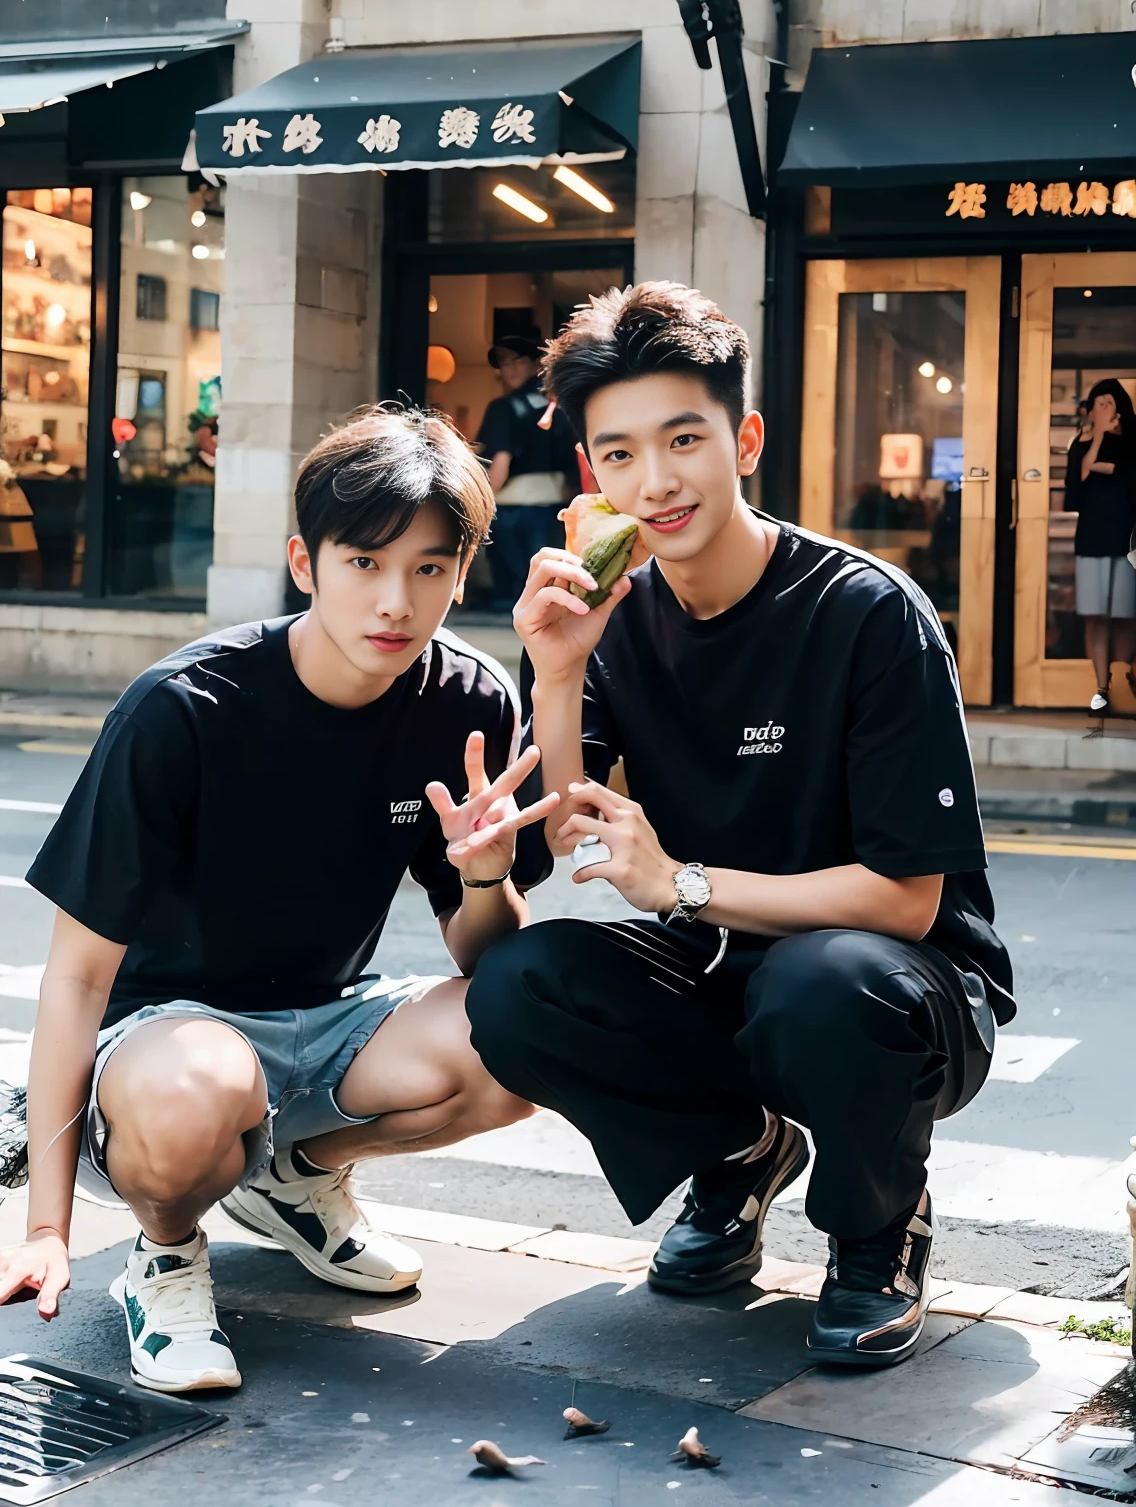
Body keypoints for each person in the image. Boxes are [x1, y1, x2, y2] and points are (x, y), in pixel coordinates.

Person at [466, 282, 1014, 1370]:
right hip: (721, 967)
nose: (654, 481)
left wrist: (681, 883)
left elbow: (903, 902)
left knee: (818, 984)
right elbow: (578, 835)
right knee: (519, 987)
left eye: (683, 440)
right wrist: (558, 673)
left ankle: (874, 1232)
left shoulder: (864, 613)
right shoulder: (614, 615)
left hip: (896, 988)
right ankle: (741, 1149)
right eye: (617, 454)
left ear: (744, 440)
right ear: (591, 474)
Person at [0, 406, 557, 1394]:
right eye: (364, 564)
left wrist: (482, 877)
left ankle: (291, 1179)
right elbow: (78, 980)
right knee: (198, 1091)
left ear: (462, 575)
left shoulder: (466, 703)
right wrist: (46, 1227)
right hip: (160, 1051)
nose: (395, 601)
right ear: (305, 563)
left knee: (531, 1025)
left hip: (326, 1023)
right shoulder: (184, 710)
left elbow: (487, 961)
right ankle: (165, 1256)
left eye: (429, 568)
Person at [477, 329, 578, 610]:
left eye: (517, 360)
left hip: (511, 511)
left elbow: (501, 463)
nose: (509, 368)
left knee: (510, 597)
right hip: (556, 510)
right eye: (503, 362)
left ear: (537, 364)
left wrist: (478, 504)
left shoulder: (504, 408)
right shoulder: (562, 407)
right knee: (547, 588)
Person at [1064, 378, 1136, 712]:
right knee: (1095, 615)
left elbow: (1127, 477)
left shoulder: (1132, 443)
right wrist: (1096, 445)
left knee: (1124, 615)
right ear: (1090, 410)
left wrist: (1102, 465)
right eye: (1099, 403)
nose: (1105, 408)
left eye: (1110, 402)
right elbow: (1075, 492)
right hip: (1092, 538)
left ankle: (1123, 687)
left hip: (1126, 539)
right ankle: (1100, 689)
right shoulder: (1080, 443)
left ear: (1121, 410)